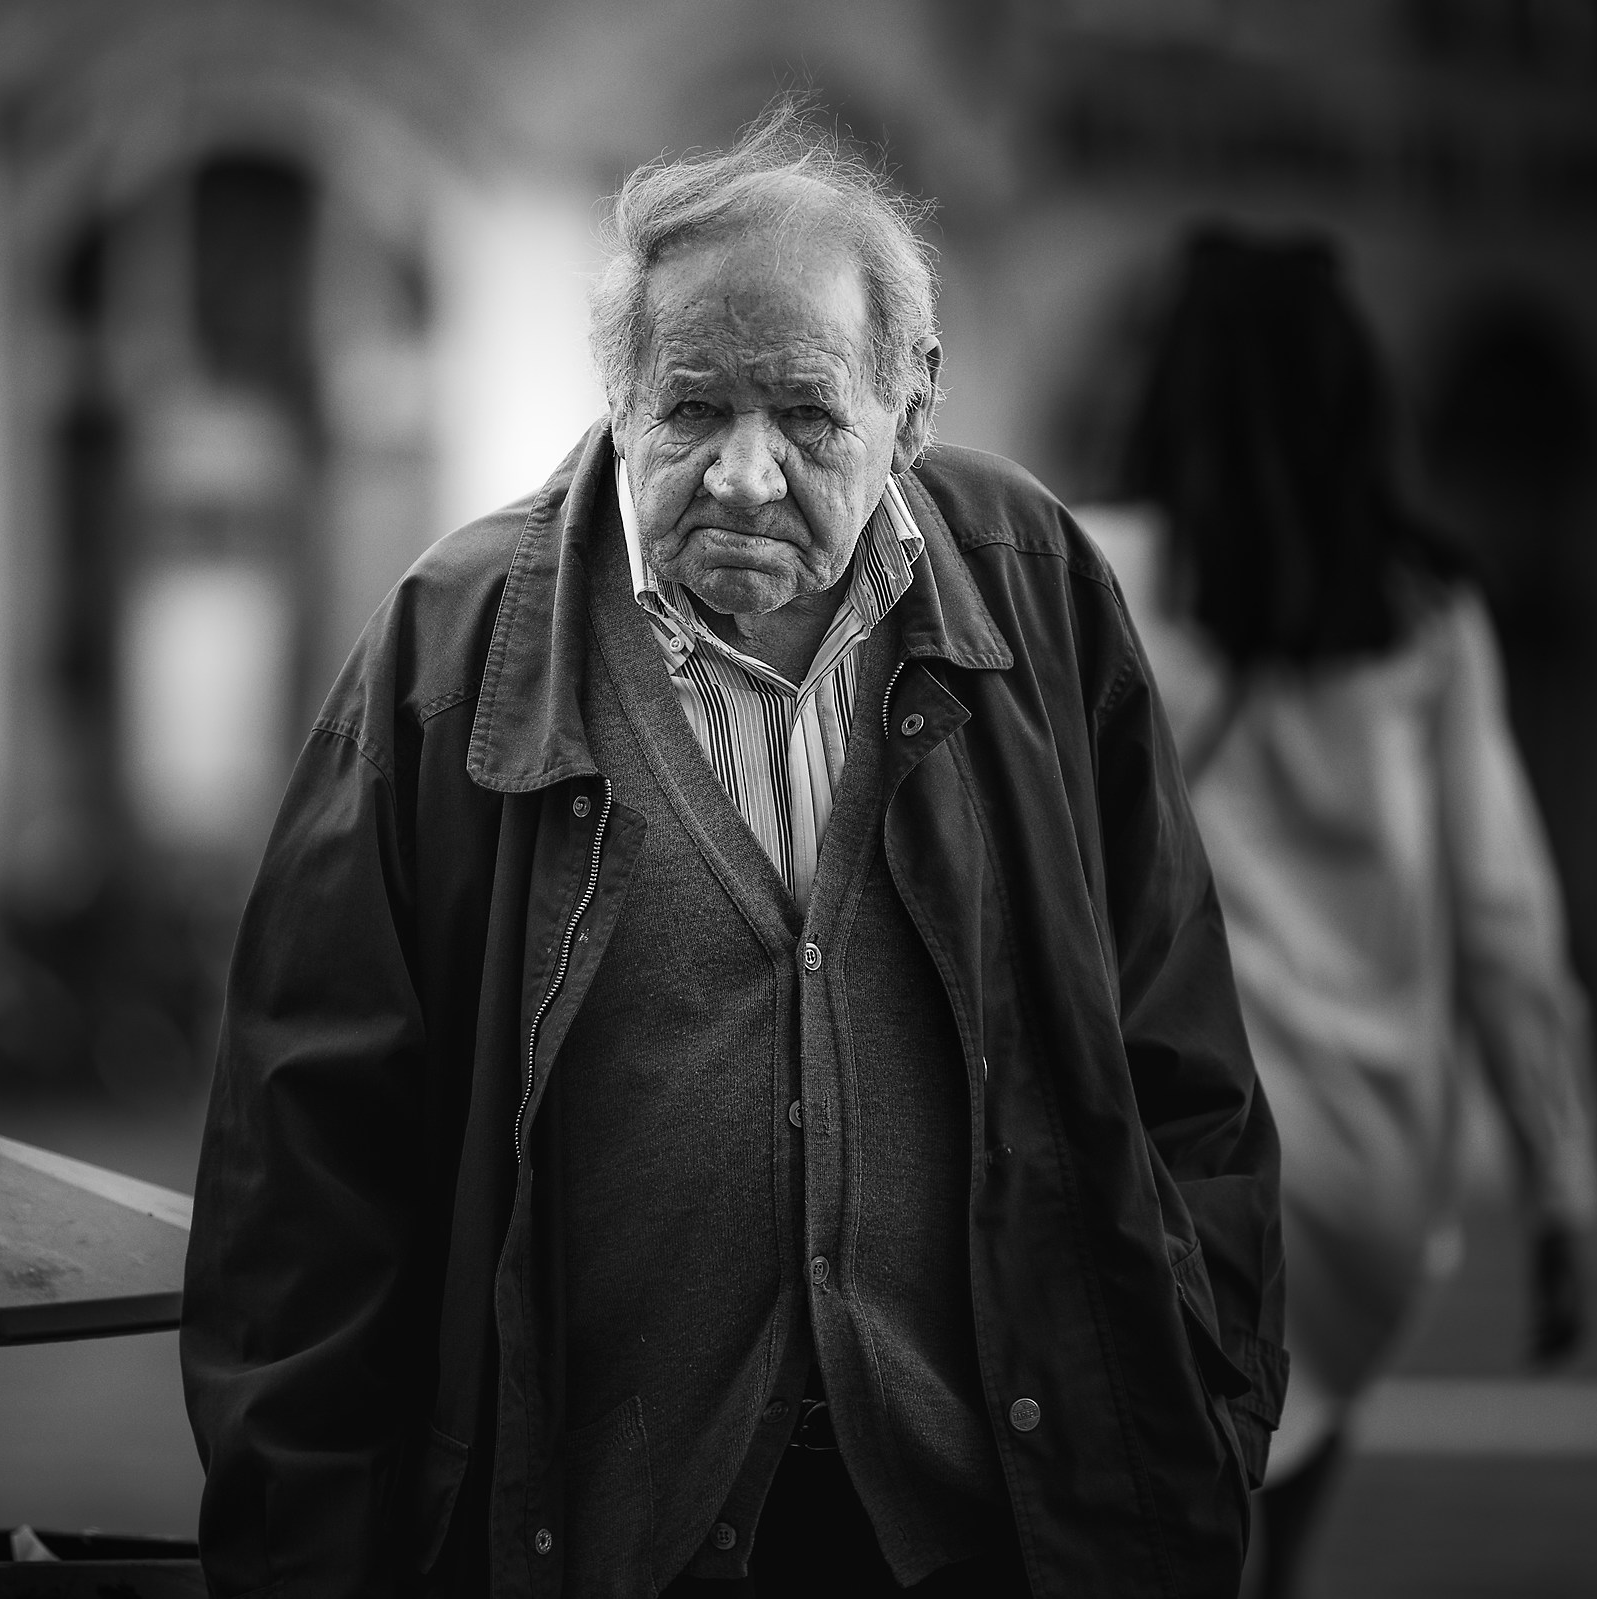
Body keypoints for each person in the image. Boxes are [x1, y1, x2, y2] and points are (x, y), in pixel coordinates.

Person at [182, 103, 1284, 1599]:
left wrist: (1198, 1438)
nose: (745, 475)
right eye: (694, 410)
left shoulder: (1033, 592)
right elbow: (302, 1194)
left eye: (810, 416)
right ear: (621, 398)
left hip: (987, 1536)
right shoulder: (447, 655)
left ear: (916, 403)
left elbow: (1183, 1078)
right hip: (593, 1543)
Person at [1078, 231, 1597, 1599]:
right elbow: (1505, 924)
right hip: (1369, 1169)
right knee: (1279, 1530)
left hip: (1170, 1154)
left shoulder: (1097, 571)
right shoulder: (1426, 616)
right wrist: (1558, 1182)